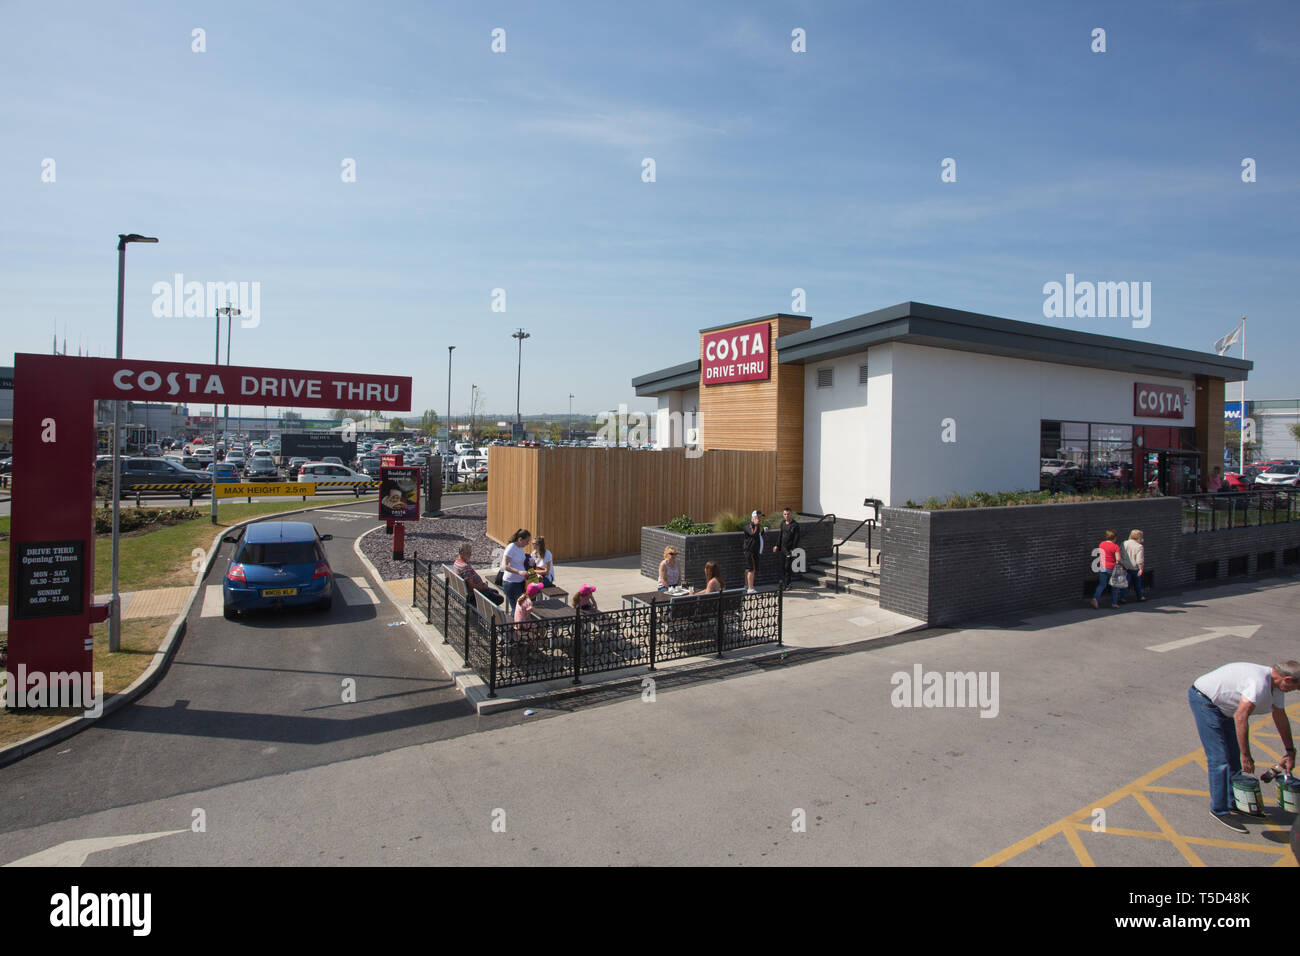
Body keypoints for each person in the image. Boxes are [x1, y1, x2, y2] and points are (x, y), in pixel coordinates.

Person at [1189, 661, 1299, 833]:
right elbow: (1241, 717)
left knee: (1232, 758)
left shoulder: (1276, 687)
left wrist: (1290, 752)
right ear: (1287, 679)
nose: (1293, 692)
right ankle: (1219, 809)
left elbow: (1281, 718)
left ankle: (1234, 803)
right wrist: (1246, 755)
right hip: (1206, 702)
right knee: (1219, 760)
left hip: (1224, 708)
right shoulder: (1259, 684)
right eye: (1294, 688)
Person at [1090, 529, 1122, 609]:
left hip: (1102, 567)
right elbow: (1118, 559)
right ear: (1115, 538)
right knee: (1114, 586)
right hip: (1112, 568)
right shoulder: (1115, 547)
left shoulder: (1102, 544)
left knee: (1102, 585)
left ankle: (1095, 598)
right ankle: (1114, 603)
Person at [502, 528, 532, 613]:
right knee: (517, 609)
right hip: (511, 583)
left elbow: (519, 563)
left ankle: (518, 625)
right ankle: (515, 626)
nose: (528, 543)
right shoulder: (511, 547)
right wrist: (519, 572)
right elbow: (505, 566)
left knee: (520, 608)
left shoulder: (520, 547)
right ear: (520, 539)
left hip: (519, 582)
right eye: (527, 541)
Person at [771, 507, 801, 589]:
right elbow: (780, 535)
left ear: (791, 514)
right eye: (785, 514)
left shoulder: (795, 525)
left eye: (788, 514)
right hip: (782, 549)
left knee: (787, 567)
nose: (786, 516)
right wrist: (777, 545)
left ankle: (788, 583)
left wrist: (793, 549)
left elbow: (796, 538)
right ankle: (782, 583)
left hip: (789, 550)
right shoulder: (783, 523)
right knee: (782, 566)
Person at [742, 510, 765, 593]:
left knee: (749, 568)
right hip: (750, 550)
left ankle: (746, 585)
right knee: (751, 569)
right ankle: (750, 588)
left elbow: (757, 535)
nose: (760, 519)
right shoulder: (748, 525)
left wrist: (762, 531)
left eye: (760, 517)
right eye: (758, 517)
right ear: (754, 517)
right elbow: (753, 534)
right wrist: (757, 525)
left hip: (755, 550)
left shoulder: (756, 525)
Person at [1121, 530, 1146, 602]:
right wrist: (1141, 568)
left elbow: (1121, 554)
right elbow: (1139, 560)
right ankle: (1140, 596)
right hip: (1135, 568)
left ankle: (1123, 597)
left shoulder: (1124, 543)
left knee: (1125, 583)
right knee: (1137, 583)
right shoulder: (1139, 546)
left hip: (1125, 566)